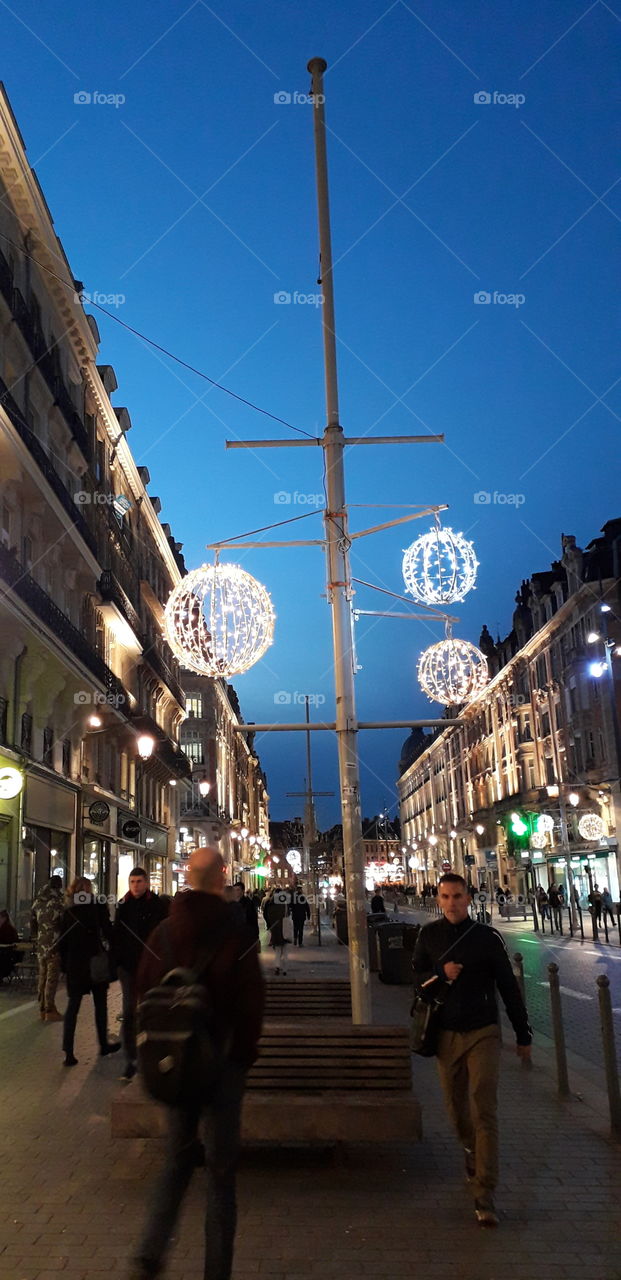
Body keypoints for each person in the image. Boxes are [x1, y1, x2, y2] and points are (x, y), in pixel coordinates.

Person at [130, 846, 264, 1280]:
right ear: (223, 877)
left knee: (177, 1160)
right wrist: (241, 1057)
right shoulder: (238, 933)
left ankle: (150, 1251)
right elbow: (251, 1004)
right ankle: (216, 1270)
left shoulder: (164, 933)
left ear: (188, 878)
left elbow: (142, 995)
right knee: (222, 1175)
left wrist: (151, 1048)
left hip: (176, 1061)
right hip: (222, 1064)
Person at [412, 872, 532, 1228]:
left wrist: (522, 1034)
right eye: (446, 896)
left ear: (469, 898)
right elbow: (416, 982)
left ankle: (485, 1191)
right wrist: (439, 971)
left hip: (483, 1031)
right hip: (446, 1033)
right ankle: (469, 1149)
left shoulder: (486, 937)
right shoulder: (428, 935)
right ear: (438, 899)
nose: (452, 902)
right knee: (455, 1111)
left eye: (458, 896)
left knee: (483, 1106)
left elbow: (508, 987)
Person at [112, 867, 168, 1082]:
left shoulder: (156, 905)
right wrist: (116, 963)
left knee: (149, 1010)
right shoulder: (124, 905)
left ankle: (151, 1056)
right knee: (129, 1013)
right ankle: (131, 1060)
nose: (135, 885)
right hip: (128, 967)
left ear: (146, 883)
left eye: (139, 881)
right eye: (132, 881)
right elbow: (117, 933)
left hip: (150, 967)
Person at [58, 877, 120, 1066]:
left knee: (73, 1008)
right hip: (95, 963)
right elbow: (108, 931)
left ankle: (68, 1051)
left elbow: (63, 942)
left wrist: (64, 967)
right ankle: (103, 1045)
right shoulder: (97, 906)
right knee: (100, 1006)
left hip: (75, 965)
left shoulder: (68, 911)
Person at [30, 874, 65, 1020]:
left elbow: (32, 922)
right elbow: (64, 922)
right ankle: (50, 1009)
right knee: (52, 978)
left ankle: (42, 1008)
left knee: (42, 976)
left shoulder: (37, 901)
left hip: (41, 945)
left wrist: (36, 937)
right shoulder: (58, 902)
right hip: (54, 945)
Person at [263, 886, 290, 974]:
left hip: (275, 929)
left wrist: (270, 925)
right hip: (284, 929)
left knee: (278, 950)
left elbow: (267, 915)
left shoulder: (270, 903)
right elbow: (287, 915)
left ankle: (277, 966)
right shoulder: (284, 903)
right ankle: (285, 969)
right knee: (285, 950)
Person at [0, 909, 18, 981]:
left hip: (7, 955)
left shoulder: (7, 928)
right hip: (7, 953)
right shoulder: (5, 927)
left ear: (4, 918)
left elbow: (5, 941)